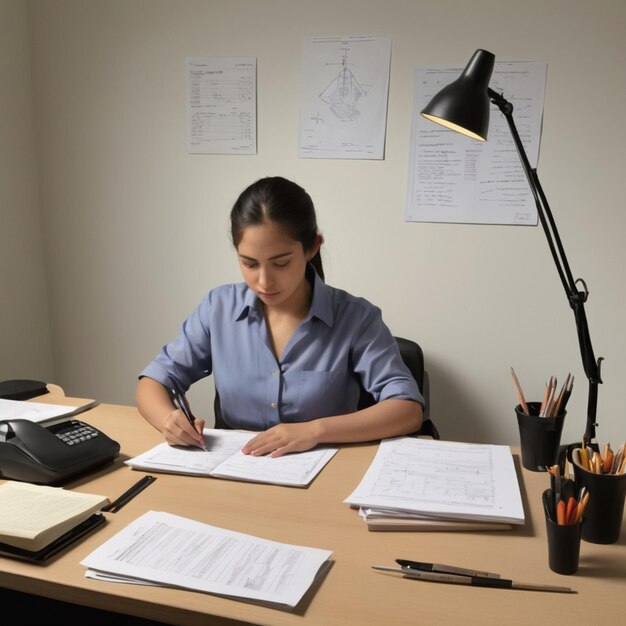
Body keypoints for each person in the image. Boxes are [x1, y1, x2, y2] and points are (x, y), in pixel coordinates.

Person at [136, 176, 423, 457]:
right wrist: (169, 421)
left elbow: (406, 408)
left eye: (281, 263)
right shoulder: (218, 307)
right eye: (249, 263)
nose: (264, 281)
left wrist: (314, 431)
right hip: (234, 470)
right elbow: (154, 381)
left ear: (312, 248)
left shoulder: (356, 318)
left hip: (324, 472)